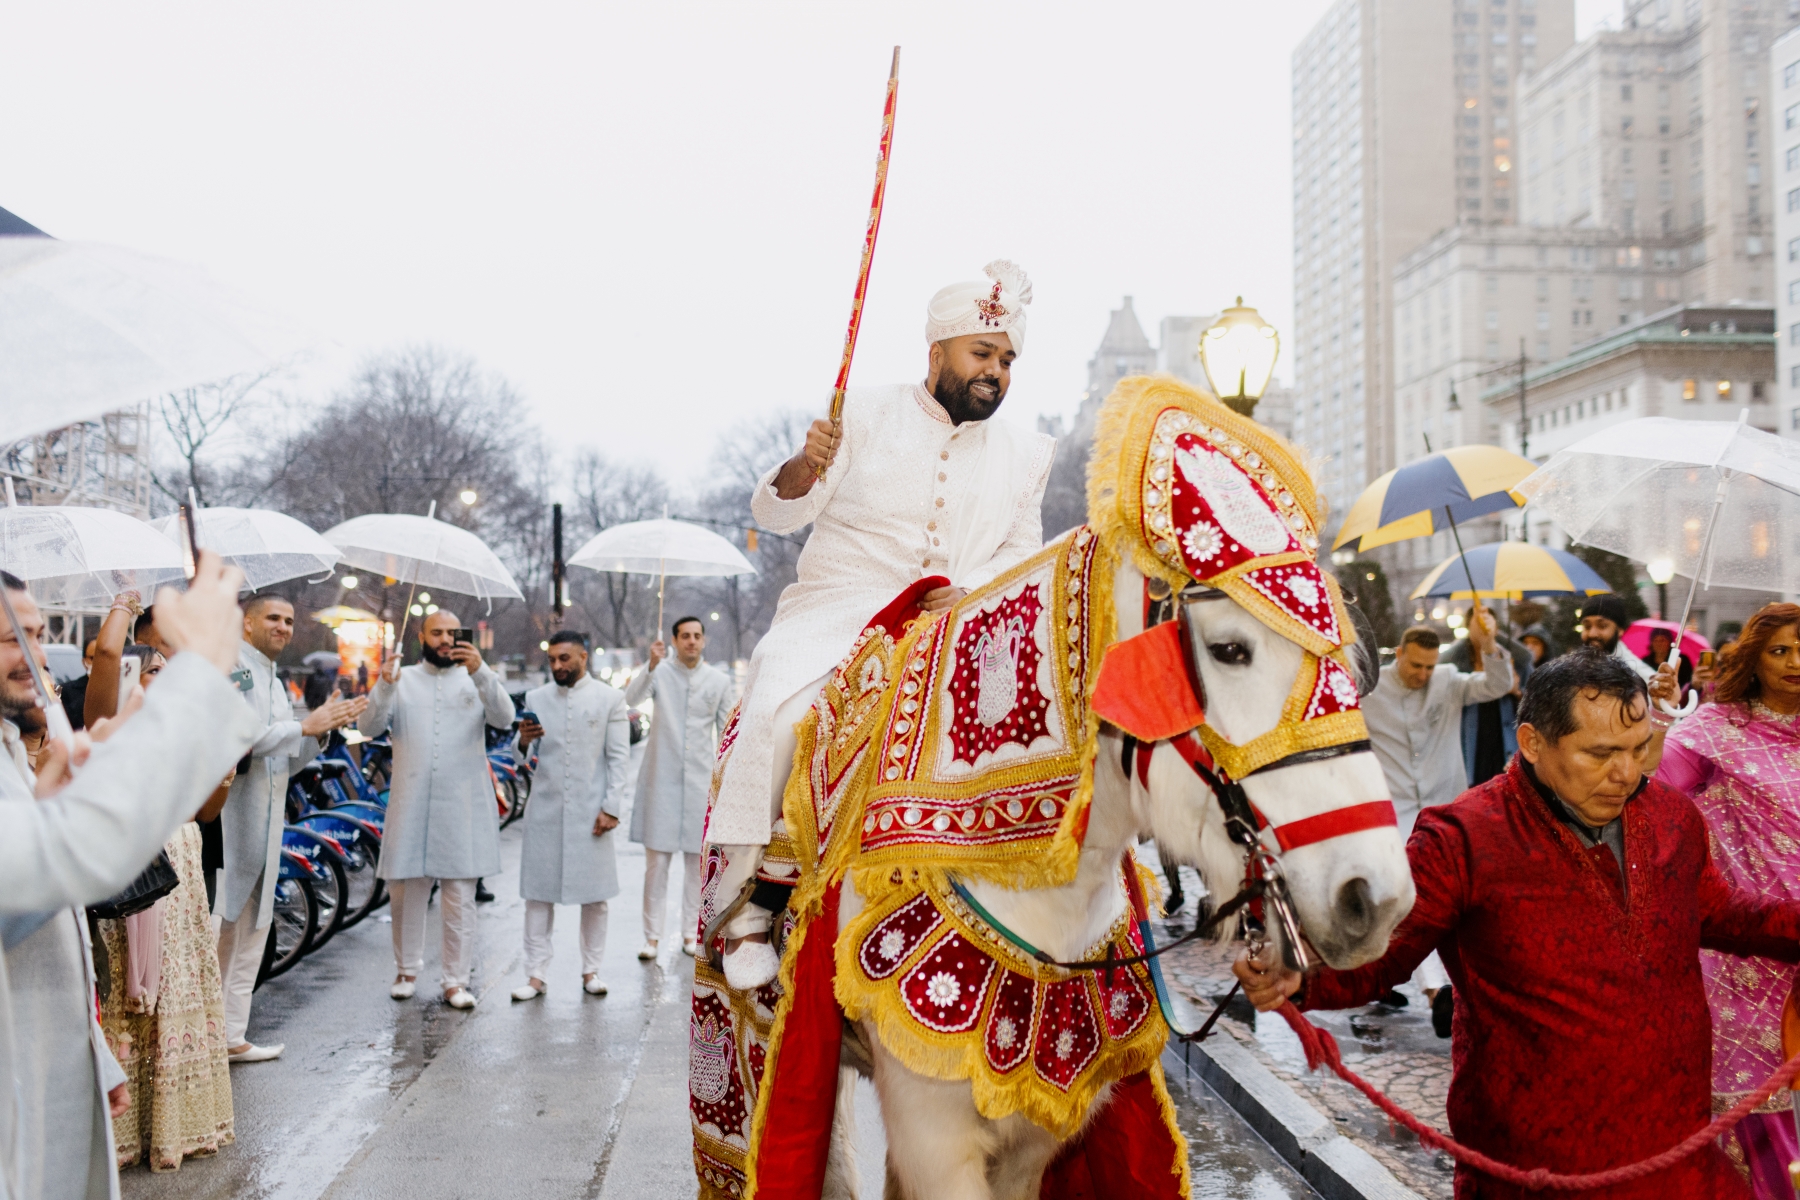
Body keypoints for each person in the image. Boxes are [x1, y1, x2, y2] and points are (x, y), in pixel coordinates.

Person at [1233, 652, 1762, 1199]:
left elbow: (1721, 913)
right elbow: (1384, 953)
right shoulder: (1462, 836)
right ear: (1533, 743)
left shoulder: (1674, 817)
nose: (1626, 773)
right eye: (1600, 753)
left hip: (1679, 1153)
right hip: (1532, 1169)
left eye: (1635, 749)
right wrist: (1300, 976)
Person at [708, 260, 1055, 989]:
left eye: (1006, 359)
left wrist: (970, 594)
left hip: (955, 624)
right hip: (840, 608)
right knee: (788, 714)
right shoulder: (859, 411)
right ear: (937, 354)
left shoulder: (1031, 453)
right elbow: (778, 512)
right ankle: (752, 904)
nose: (995, 371)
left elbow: (1019, 556)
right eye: (981, 354)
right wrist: (806, 463)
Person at [0, 555, 258, 1200]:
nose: (36, 657)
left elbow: (39, 918)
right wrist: (197, 675)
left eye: (37, 635)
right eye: (14, 638)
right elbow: (51, 866)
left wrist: (89, 1052)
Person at [1658, 603, 1800, 1197]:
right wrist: (1659, 715)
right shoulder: (1718, 728)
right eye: (1781, 650)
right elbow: (1657, 786)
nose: (1797, 662)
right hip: (1750, 948)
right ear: (1755, 657)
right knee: (1758, 1094)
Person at [96, 643, 238, 1173]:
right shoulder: (112, 729)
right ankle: (121, 1130)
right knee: (129, 992)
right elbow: (109, 654)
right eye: (154, 670)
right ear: (130, 676)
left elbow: (205, 811)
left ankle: (172, 1126)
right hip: (138, 873)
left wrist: (220, 769)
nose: (165, 678)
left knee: (178, 985)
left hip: (182, 866)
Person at [214, 596, 364, 1063]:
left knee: (254, 932)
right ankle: (205, 1037)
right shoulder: (233, 669)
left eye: (289, 621)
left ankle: (232, 1034)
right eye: (273, 618)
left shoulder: (275, 680)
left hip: (269, 823)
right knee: (221, 932)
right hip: (231, 822)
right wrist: (303, 727)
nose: (283, 627)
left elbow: (286, 760)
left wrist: (319, 732)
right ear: (247, 623)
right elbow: (242, 737)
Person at [360, 609, 515, 1009]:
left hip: (462, 804)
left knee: (460, 895)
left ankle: (455, 981)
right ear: (422, 636)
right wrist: (384, 686)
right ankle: (406, 969)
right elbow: (369, 727)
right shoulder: (403, 678)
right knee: (405, 892)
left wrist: (482, 672)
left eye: (452, 632)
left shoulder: (478, 678)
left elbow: (505, 717)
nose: (446, 639)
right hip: (410, 800)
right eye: (437, 633)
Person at [1360, 617, 1512, 1018]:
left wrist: (1489, 644)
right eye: (1416, 666)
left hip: (1446, 806)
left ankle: (1442, 985)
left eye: (1429, 666)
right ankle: (1434, 989)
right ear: (1399, 656)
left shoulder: (1447, 680)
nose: (1423, 674)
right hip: (1392, 809)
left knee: (1448, 895)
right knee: (1409, 893)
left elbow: (1496, 685)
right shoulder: (1370, 690)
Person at [510, 631, 631, 1001]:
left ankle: (591, 970)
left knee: (595, 898)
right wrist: (525, 740)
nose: (558, 666)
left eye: (565, 659)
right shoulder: (536, 698)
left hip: (591, 811)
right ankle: (535, 975)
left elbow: (618, 759)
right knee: (537, 897)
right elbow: (517, 759)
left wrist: (611, 807)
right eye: (552, 660)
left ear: (583, 657)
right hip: (544, 810)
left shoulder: (611, 699)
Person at [623, 616, 732, 960]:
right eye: (684, 636)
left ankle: (690, 933)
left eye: (697, 636)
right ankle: (651, 937)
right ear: (673, 640)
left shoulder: (718, 680)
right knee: (656, 866)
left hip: (700, 783)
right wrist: (650, 665)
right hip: (660, 782)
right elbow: (631, 698)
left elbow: (728, 730)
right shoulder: (661, 673)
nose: (691, 641)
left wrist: (725, 780)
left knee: (694, 868)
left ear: (704, 640)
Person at [1442, 612, 1535, 789]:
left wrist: (1517, 692)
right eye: (1475, 625)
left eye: (1485, 625)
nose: (1481, 630)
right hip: (1470, 739)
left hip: (1506, 737)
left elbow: (1538, 705)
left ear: (1495, 629)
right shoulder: (1451, 665)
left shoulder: (1518, 660)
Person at [1643, 626, 1695, 692]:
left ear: (1669, 642)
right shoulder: (1644, 661)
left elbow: (1688, 683)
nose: (1659, 643)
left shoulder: (1681, 660)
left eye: (1662, 640)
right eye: (1655, 640)